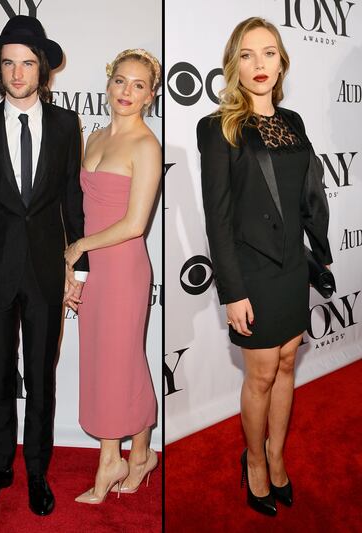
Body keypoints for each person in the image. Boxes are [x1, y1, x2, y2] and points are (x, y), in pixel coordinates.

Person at [196, 17, 331, 516]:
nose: (259, 65)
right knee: (259, 376)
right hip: (250, 273)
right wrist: (232, 291)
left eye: (269, 53)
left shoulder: (292, 122)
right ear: (234, 63)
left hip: (293, 266)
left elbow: (306, 198)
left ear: (282, 62)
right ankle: (253, 461)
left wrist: (317, 256)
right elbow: (219, 218)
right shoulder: (218, 128)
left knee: (288, 366)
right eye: (248, 54)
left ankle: (277, 455)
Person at [0, 15, 88, 516]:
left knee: (40, 374)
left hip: (45, 271)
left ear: (44, 70)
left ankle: (36, 471)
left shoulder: (63, 124)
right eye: (9, 63)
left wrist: (79, 272)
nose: (17, 73)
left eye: (27, 63)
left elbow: (73, 202)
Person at [63, 49, 161, 504]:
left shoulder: (146, 145)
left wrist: (80, 247)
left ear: (151, 94)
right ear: (108, 83)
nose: (126, 92)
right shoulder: (95, 137)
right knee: (114, 360)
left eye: (138, 85)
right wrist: (75, 268)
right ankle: (140, 454)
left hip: (123, 267)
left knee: (117, 360)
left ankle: (110, 461)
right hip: (93, 269)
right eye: (120, 81)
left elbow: (135, 223)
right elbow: (84, 212)